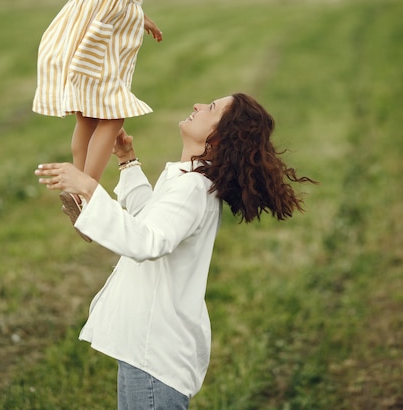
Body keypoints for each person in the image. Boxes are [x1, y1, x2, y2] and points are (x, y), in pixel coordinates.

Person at [35, 93, 316, 409]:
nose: (198, 105)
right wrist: (128, 160)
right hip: (148, 351)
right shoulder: (191, 181)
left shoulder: (193, 188)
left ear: (221, 136)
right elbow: (151, 222)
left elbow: (147, 242)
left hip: (153, 356)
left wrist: (89, 188)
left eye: (210, 108)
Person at [32, 0, 178, 223]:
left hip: (85, 32)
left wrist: (140, 16)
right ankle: (86, 192)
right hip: (101, 42)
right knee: (111, 115)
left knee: (88, 119)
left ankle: (76, 192)